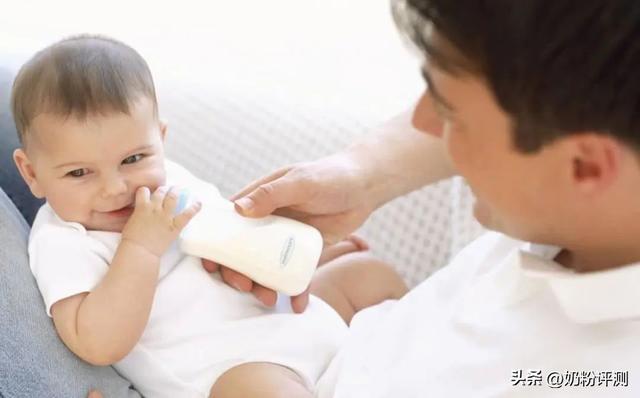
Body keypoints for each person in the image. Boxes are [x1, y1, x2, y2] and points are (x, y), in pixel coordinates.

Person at [214, 0, 640, 396]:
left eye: (451, 114)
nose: (421, 122)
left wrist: (254, 372)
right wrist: (359, 175)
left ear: (586, 167)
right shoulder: (558, 211)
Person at [10, 34, 407, 398]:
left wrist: (293, 257)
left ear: (160, 140)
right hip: (233, 368)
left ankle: (431, 368)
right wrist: (140, 248)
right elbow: (95, 342)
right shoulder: (62, 240)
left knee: (367, 275)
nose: (115, 187)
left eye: (134, 158)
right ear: (31, 173)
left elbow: (233, 238)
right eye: (79, 173)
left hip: (292, 318)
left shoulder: (173, 180)